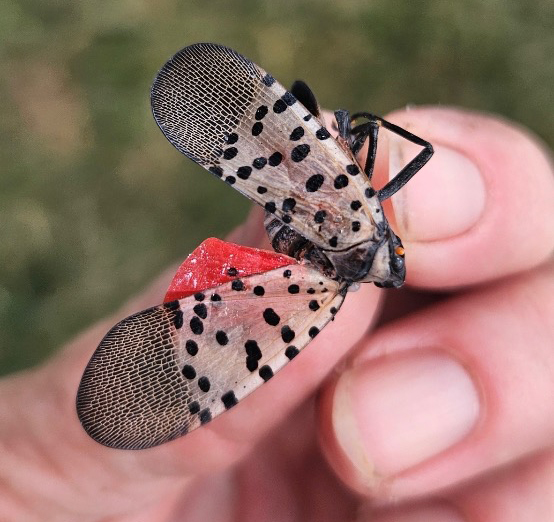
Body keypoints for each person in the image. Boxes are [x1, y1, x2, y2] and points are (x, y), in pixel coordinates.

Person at [1, 107, 553, 521]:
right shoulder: (331, 304)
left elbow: (398, 147)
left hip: (319, 231)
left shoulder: (340, 272)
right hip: (302, 279)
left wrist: (348, 149)